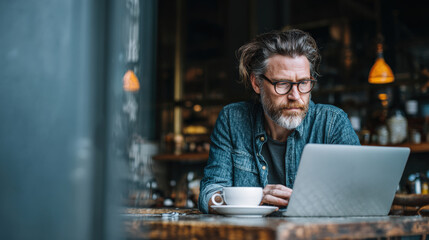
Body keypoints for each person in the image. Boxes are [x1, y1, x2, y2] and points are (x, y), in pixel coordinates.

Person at [198, 29, 360, 214]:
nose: (295, 96)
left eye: (303, 83)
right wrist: (253, 199)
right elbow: (209, 193)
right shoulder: (232, 119)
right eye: (282, 84)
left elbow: (360, 195)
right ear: (257, 83)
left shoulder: (332, 123)